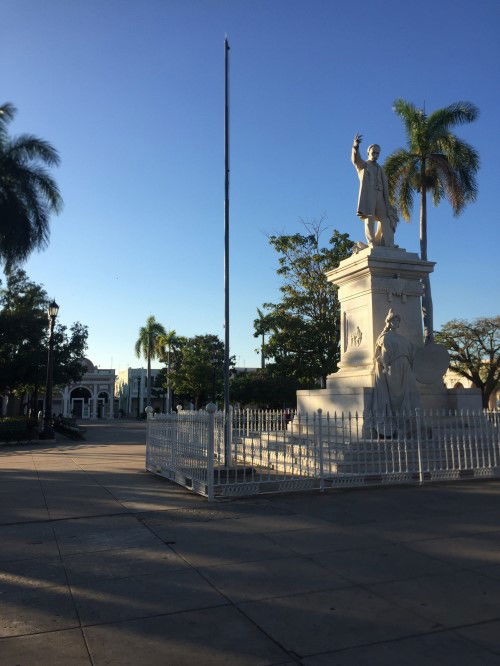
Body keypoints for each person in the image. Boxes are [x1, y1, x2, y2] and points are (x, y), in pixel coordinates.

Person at [351, 133, 399, 247]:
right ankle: (372, 241)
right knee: (369, 217)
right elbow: (355, 159)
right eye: (374, 152)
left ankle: (388, 243)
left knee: (386, 219)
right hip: (369, 194)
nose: (376, 155)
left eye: (378, 153)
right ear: (368, 152)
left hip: (380, 195)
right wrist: (356, 147)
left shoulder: (380, 169)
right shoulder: (363, 165)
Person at [372, 309, 421, 418]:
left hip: (406, 367)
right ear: (389, 322)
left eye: (398, 320)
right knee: (396, 395)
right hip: (394, 367)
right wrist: (386, 367)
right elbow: (384, 355)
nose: (396, 322)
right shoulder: (385, 337)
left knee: (409, 393)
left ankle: (408, 419)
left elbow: (413, 351)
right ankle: (397, 418)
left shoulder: (402, 339)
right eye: (394, 320)